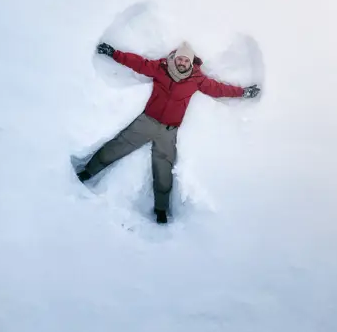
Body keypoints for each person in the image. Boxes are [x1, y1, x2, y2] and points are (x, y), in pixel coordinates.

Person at [76, 41, 261, 224]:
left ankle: (161, 210)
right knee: (118, 146)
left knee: (164, 168)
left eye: (185, 61)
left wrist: (243, 92)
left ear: (191, 63)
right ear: (175, 58)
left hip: (168, 131)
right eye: (180, 59)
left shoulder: (197, 79)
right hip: (146, 121)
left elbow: (219, 89)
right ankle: (88, 171)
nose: (182, 63)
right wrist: (113, 53)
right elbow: (139, 63)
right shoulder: (161, 68)